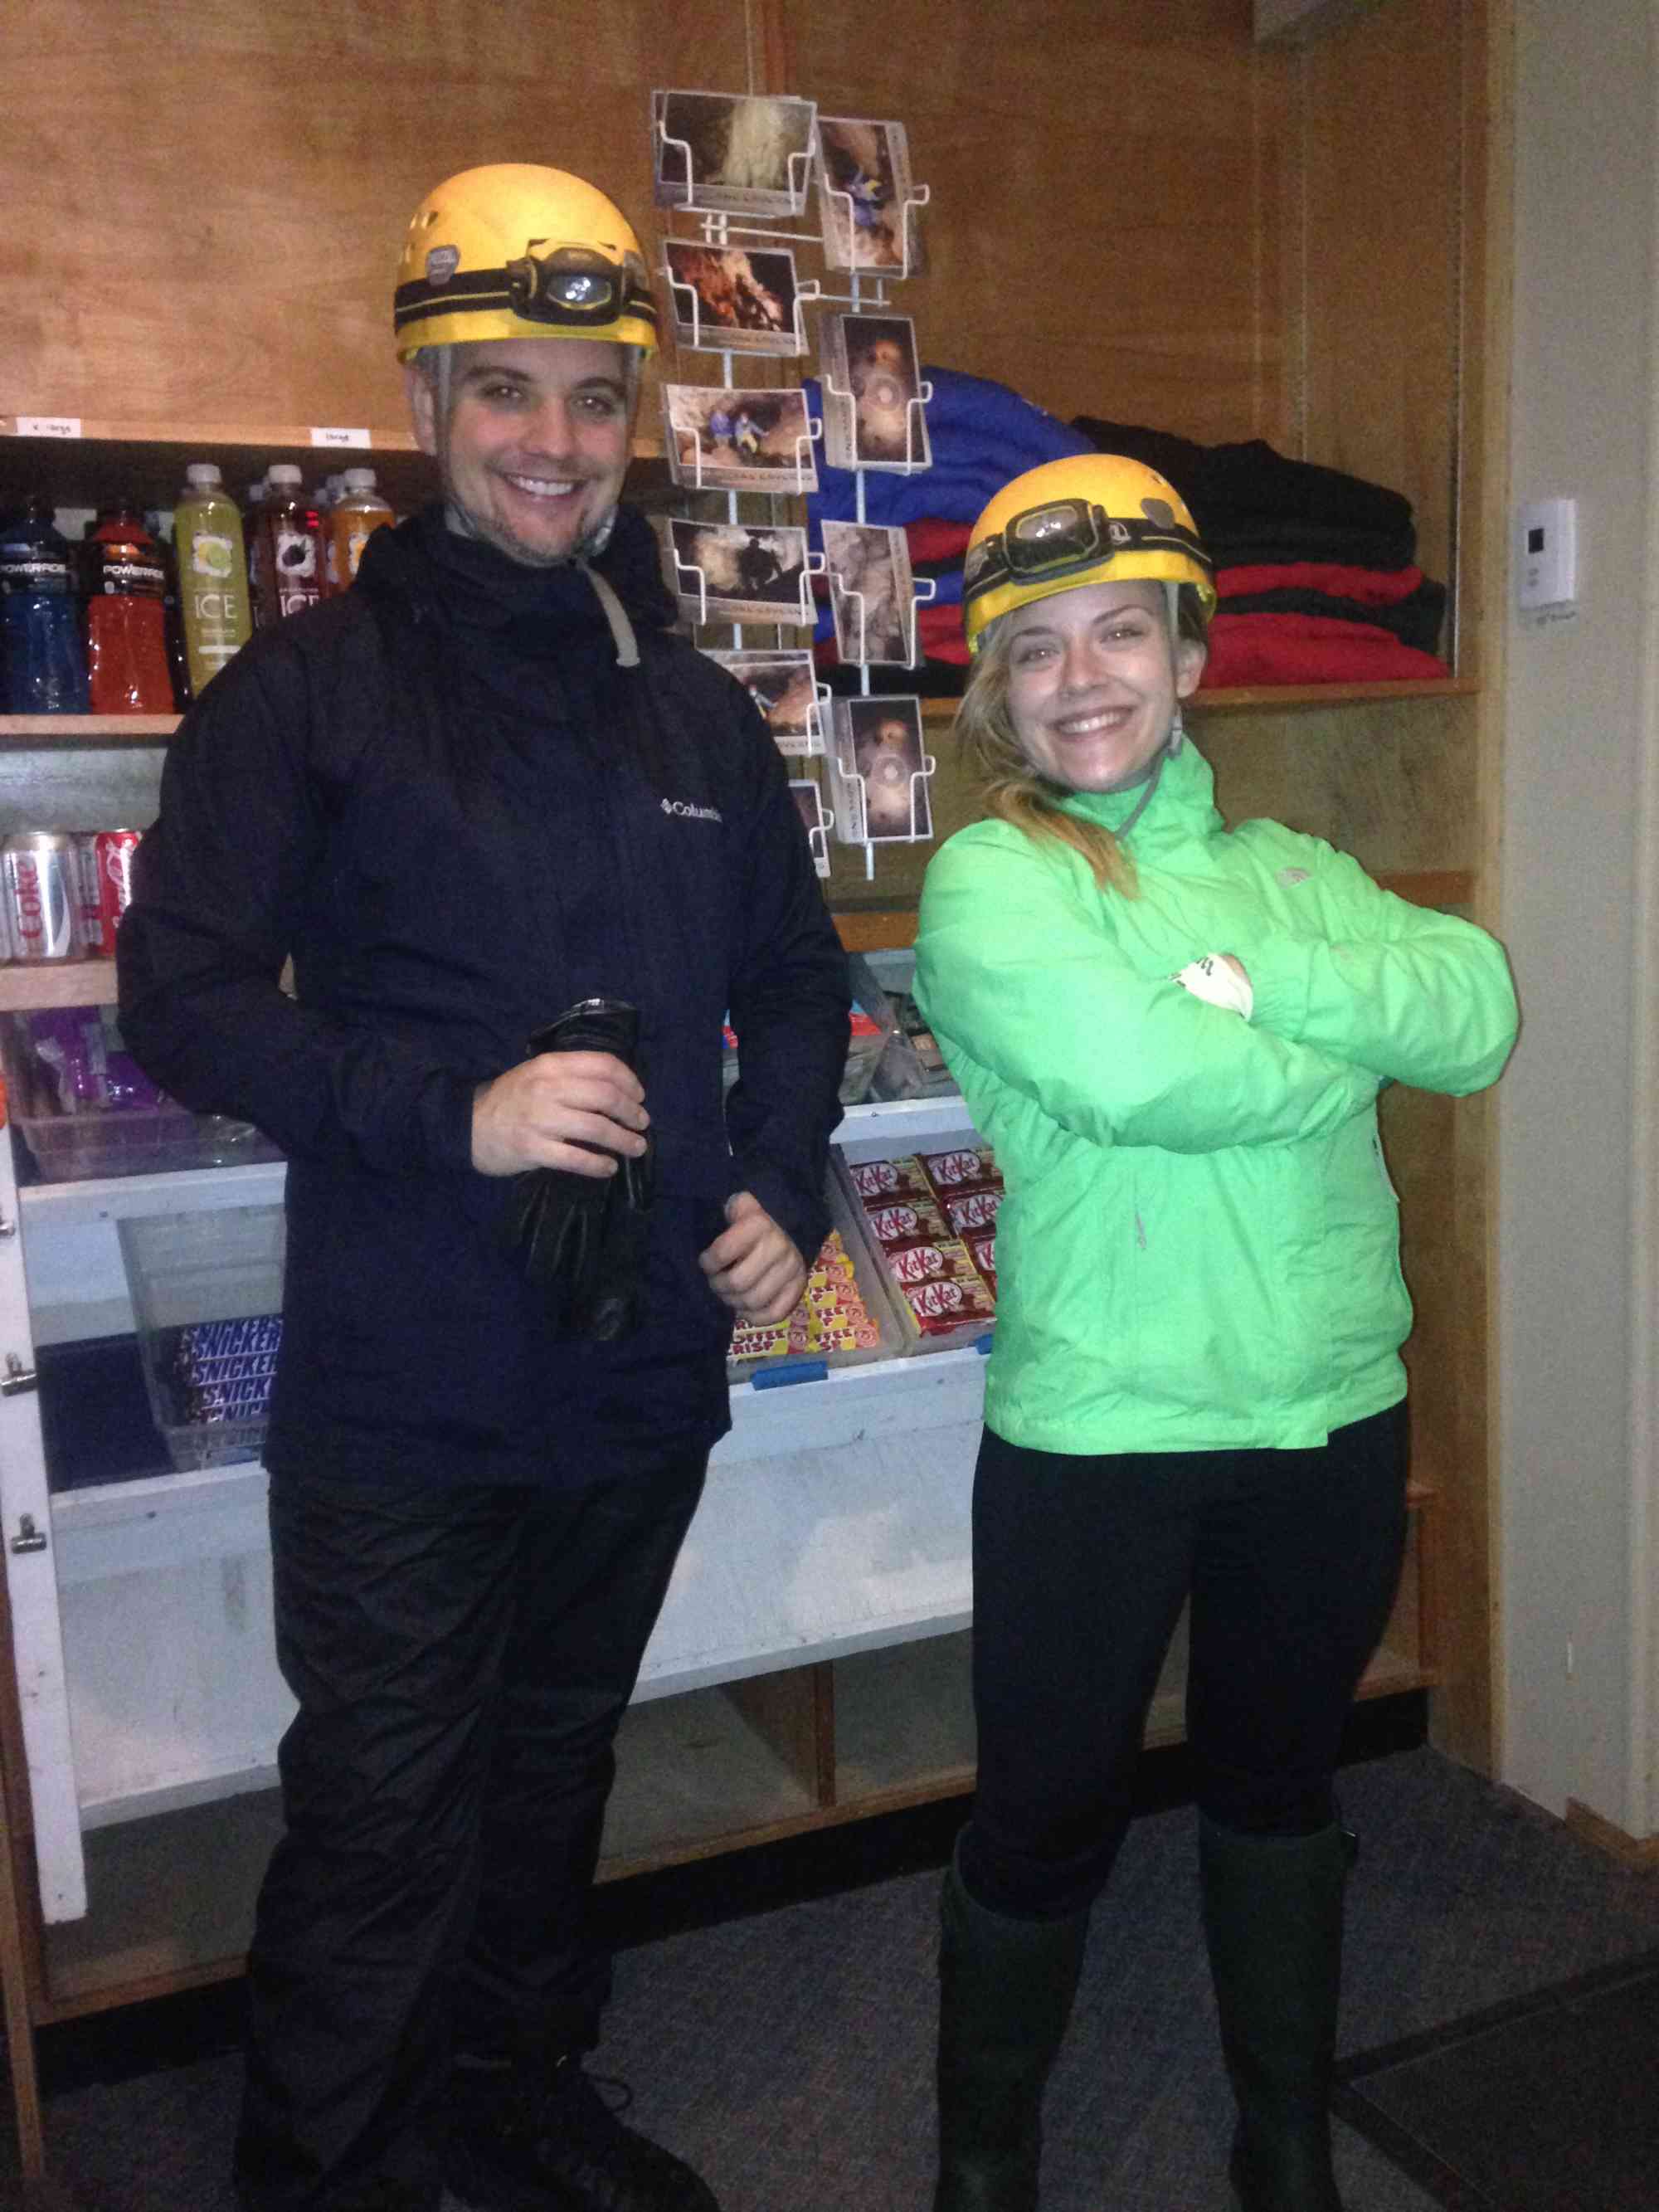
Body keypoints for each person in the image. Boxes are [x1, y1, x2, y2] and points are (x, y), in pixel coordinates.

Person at [116, 163, 850, 2212]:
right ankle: (331, 2167)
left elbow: (801, 978)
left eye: (594, 397)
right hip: (410, 1384)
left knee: (551, 1773)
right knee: (383, 1816)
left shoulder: (696, 709)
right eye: (505, 389)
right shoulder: (304, 691)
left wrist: (779, 1179)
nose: (554, 438)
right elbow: (179, 996)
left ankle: (515, 2103)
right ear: (427, 404)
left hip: (637, 1370)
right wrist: (455, 1114)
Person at [911, 453, 1518, 2212]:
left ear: (1188, 657)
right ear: (999, 692)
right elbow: (1145, 1076)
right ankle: (983, 2162)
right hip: (1100, 1431)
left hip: (1325, 1417)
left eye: (1121, 633)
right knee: (1045, 1811)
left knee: (1279, 1785)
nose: (1081, 677)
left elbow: (1475, 1012)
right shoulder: (995, 881)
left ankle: (1284, 2139)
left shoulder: (1291, 866)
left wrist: (1279, 983)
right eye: (1036, 648)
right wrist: (1339, 1044)